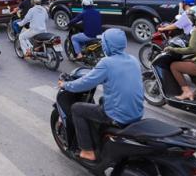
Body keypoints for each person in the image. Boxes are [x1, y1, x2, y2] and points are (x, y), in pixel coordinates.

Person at [58, 28, 143, 162]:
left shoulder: (107, 63)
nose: (102, 45)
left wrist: (65, 85)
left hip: (117, 115)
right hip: (137, 112)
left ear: (108, 45)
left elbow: (85, 83)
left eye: (104, 42)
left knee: (77, 109)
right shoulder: (133, 60)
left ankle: (87, 151)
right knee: (103, 99)